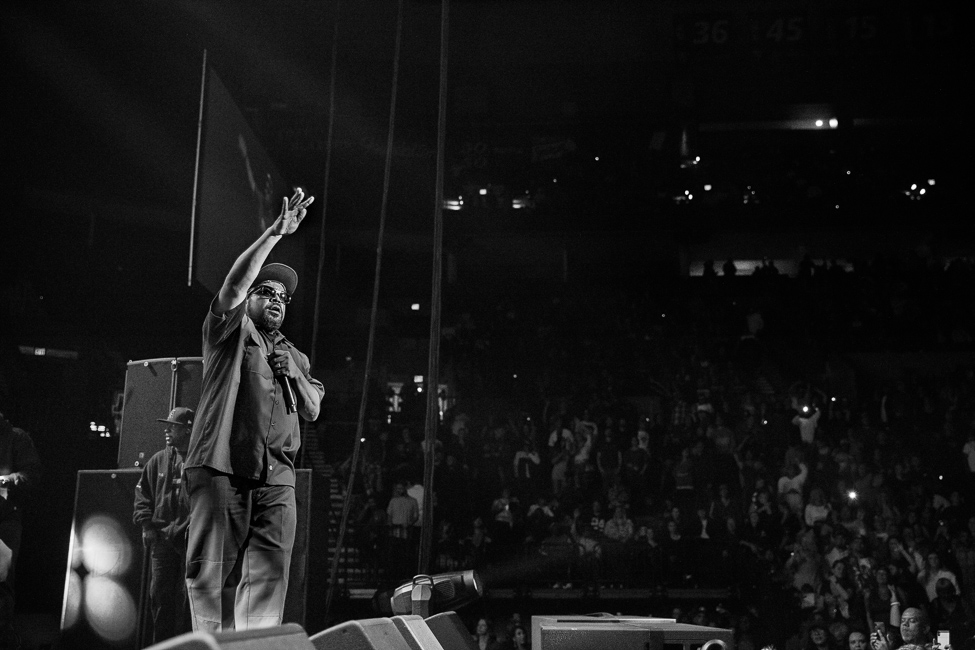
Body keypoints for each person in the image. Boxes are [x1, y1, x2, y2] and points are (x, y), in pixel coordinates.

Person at [183, 188, 324, 631]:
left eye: (283, 295)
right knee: (210, 573)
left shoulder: (295, 355)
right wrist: (275, 233)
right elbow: (232, 286)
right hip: (223, 467)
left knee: (269, 577)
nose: (277, 299)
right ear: (252, 299)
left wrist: (296, 374)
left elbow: (314, 408)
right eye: (266, 291)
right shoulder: (230, 332)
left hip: (277, 478)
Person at [133, 407, 194, 643]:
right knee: (159, 596)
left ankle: (190, 646)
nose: (167, 430)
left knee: (191, 598)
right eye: (166, 425)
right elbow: (142, 494)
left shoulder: (200, 459)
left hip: (192, 539)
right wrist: (146, 525)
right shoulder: (158, 460)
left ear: (188, 429)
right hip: (163, 540)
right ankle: (163, 646)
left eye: (173, 426)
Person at [0, 412, 41, 646]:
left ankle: (5, 639)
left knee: (1, 582)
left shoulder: (16, 438)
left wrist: (5, 480)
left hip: (5, 520)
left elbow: (32, 475)